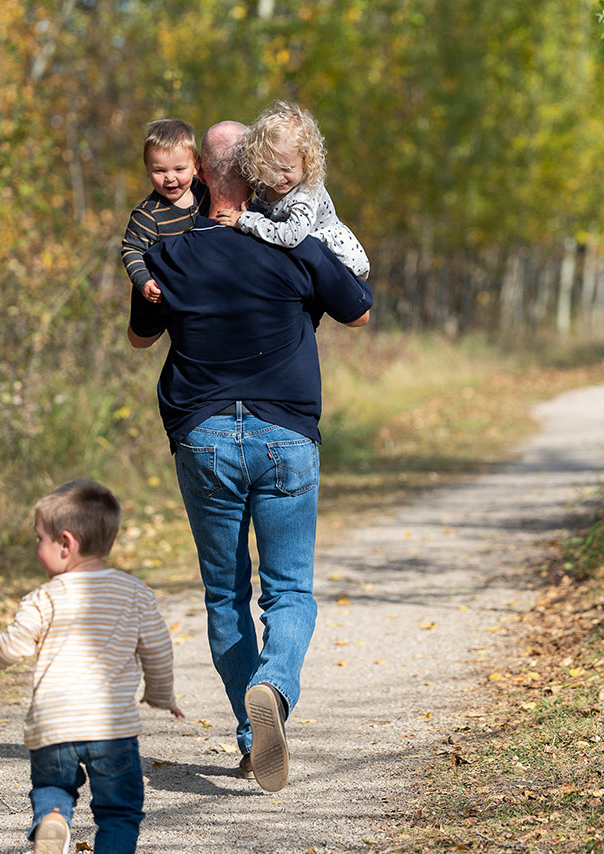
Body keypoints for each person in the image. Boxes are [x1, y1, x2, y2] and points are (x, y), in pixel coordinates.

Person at [127, 120, 372, 793]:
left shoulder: (171, 248)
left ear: (201, 173)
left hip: (203, 436)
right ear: (263, 172)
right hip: (285, 433)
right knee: (289, 590)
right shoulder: (295, 241)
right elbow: (357, 312)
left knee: (225, 593)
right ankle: (273, 687)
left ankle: (248, 731)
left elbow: (140, 337)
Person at [0, 479, 183, 854]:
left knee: (54, 787)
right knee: (119, 812)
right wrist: (160, 695)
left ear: (66, 544)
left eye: (40, 538)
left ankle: (53, 820)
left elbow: (12, 645)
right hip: (111, 727)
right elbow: (157, 649)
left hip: (53, 725)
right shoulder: (134, 592)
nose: (37, 548)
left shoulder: (43, 598)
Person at [213, 100, 369, 279]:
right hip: (311, 260)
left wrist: (246, 220)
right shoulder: (267, 183)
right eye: (270, 169)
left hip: (341, 263)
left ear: (305, 161)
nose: (278, 177)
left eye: (287, 169)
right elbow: (269, 210)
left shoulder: (305, 194)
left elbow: (291, 236)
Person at [120, 119, 210, 304]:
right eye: (159, 170)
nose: (170, 178)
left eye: (179, 169)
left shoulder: (206, 192)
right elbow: (132, 250)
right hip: (173, 292)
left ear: (196, 166)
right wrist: (144, 281)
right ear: (147, 170)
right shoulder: (147, 214)